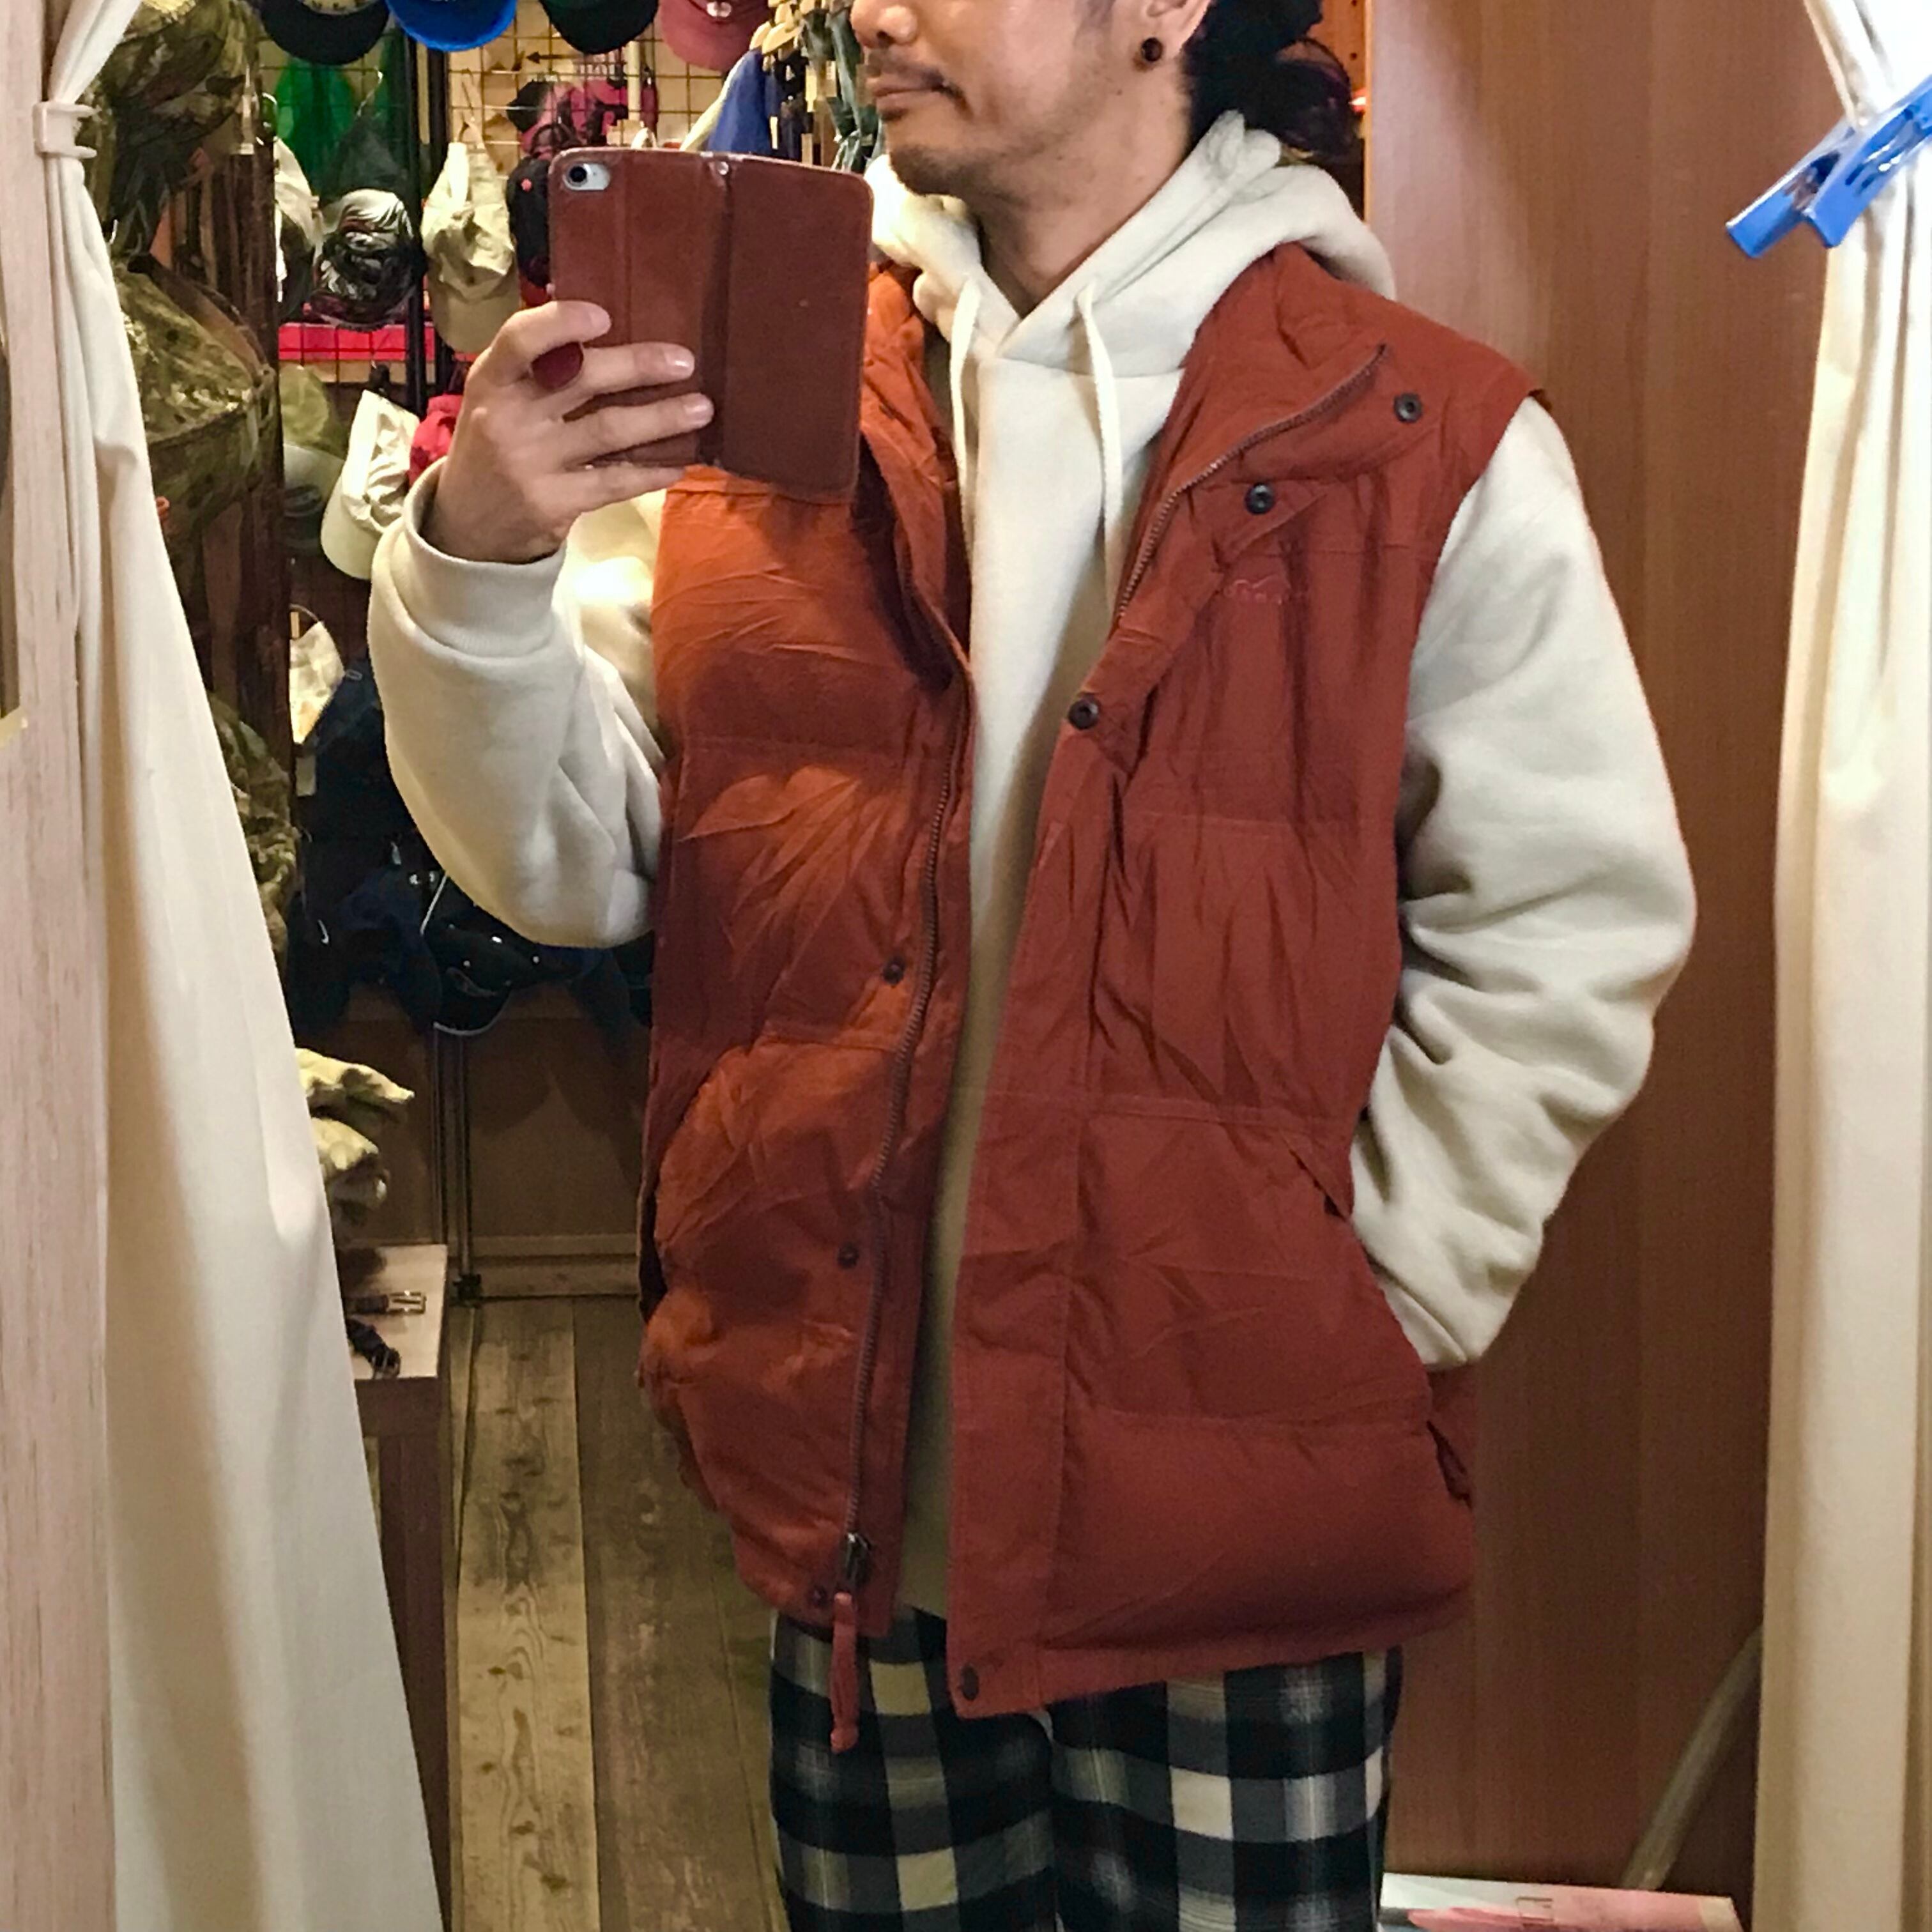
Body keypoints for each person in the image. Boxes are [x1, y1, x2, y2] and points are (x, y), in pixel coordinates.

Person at [367, 0, 1697, 1920]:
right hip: (857, 1495)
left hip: (1232, 1512)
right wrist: (480, 555)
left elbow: (1569, 913)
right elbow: (582, 858)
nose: (873, 9)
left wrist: (1370, 1294)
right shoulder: (769, 407)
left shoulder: (1419, 431)